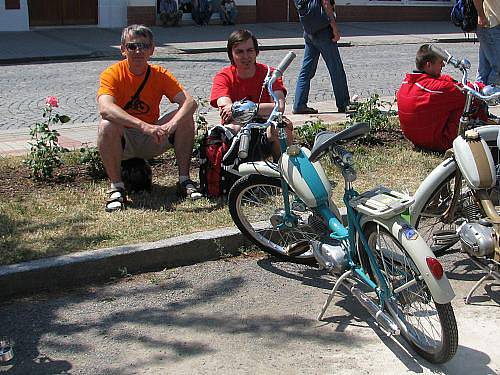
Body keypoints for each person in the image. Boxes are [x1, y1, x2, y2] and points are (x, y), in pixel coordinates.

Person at [97, 24, 200, 212]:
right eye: (132, 46)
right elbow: (105, 108)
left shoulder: (159, 74)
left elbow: (190, 102)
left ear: (152, 50)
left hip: (152, 137)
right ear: (122, 50)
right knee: (107, 125)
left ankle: (184, 180)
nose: (138, 51)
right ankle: (117, 188)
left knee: (186, 118)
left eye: (144, 46)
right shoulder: (112, 74)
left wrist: (170, 125)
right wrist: (143, 126)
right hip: (124, 139)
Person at [210, 29, 293, 159]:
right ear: (231, 55)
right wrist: (261, 108)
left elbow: (279, 106)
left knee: (282, 128)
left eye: (250, 50)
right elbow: (226, 108)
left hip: (265, 126)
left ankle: (283, 171)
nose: (246, 56)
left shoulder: (270, 73)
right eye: (239, 52)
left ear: (256, 52)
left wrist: (244, 108)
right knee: (229, 131)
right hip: (238, 129)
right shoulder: (223, 76)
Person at [397, 44, 489, 152]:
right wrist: (484, 88)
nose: (443, 65)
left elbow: (446, 82)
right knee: (471, 102)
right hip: (439, 143)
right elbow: (468, 93)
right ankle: (482, 136)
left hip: (417, 139)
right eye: (440, 62)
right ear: (428, 65)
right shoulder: (436, 89)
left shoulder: (407, 83)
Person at [293, 0, 350, 114]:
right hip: (323, 31)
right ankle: (343, 103)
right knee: (336, 69)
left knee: (306, 70)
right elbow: (325, 3)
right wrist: (334, 27)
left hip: (309, 31)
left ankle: (299, 104)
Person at [473, 0, 500, 85]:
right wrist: (481, 15)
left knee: (484, 69)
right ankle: (492, 95)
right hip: (490, 24)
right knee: (498, 68)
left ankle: (478, 93)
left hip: (492, 25)